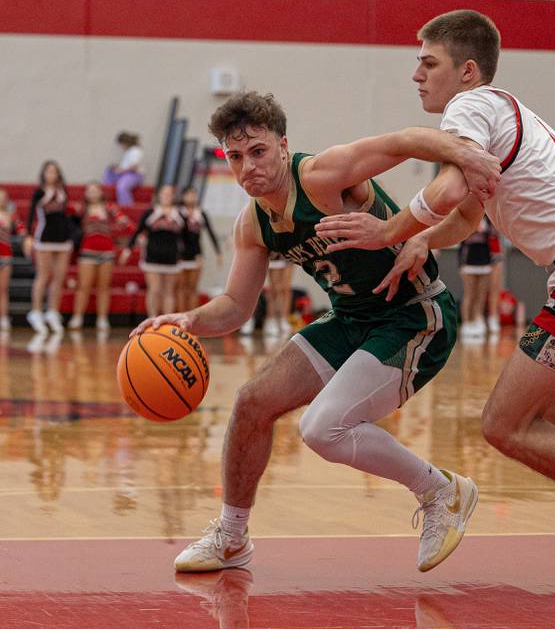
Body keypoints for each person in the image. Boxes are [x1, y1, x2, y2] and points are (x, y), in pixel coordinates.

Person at [316, 9, 555, 591]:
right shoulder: (500, 111)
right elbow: (466, 214)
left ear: (466, 70)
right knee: (541, 399)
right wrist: (421, 239)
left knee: (503, 424)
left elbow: (446, 190)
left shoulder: (469, 108)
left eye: (428, 63)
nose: (415, 75)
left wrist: (386, 230)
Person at [131, 91, 501, 574]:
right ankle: (231, 537)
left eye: (258, 152)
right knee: (251, 404)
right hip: (351, 316)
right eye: (235, 157)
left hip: (414, 314)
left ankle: (441, 491)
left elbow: (403, 141)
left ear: (284, 146)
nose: (248, 167)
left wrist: (465, 153)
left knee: (322, 428)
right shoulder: (254, 224)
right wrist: (190, 321)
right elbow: (237, 307)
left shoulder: (322, 175)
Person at [68, 182, 132, 331]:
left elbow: (127, 224)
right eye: (89, 191)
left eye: (95, 190)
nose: (92, 193)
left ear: (101, 193)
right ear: (85, 194)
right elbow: (66, 211)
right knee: (83, 287)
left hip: (107, 253)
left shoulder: (110, 208)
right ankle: (77, 317)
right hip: (87, 253)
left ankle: (102, 318)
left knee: (104, 288)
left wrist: (124, 235)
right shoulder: (82, 209)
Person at [24, 160, 76, 335]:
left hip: (62, 240)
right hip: (44, 238)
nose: (52, 175)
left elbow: (65, 216)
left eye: (54, 171)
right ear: (44, 174)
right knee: (44, 275)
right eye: (48, 172)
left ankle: (53, 313)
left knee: (59, 278)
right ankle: (36, 312)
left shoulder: (63, 192)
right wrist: (28, 236)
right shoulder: (39, 192)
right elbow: (31, 214)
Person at [119, 185, 185, 317]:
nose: (166, 196)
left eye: (169, 194)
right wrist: (128, 249)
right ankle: (152, 319)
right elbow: (137, 231)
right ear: (158, 196)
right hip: (152, 255)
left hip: (171, 256)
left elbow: (187, 237)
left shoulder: (179, 214)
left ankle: (167, 321)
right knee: (154, 290)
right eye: (164, 193)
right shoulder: (150, 212)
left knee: (168, 291)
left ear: (174, 197)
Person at [177, 186, 222, 313]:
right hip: (180, 255)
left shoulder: (200, 213)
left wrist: (218, 252)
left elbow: (211, 232)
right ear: (183, 197)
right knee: (181, 288)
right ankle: (181, 317)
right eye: (189, 195)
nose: (191, 197)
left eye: (194, 194)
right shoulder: (178, 213)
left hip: (196, 254)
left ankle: (191, 318)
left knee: (192, 288)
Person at [458, 216, 493, 339]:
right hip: (469, 262)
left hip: (484, 262)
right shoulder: (467, 217)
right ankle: (466, 323)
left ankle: (478, 321)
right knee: (469, 294)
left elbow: (490, 240)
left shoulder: (488, 220)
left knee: (481, 295)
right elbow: (461, 244)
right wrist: (460, 265)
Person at [0, 188, 24, 331]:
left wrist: (26, 239)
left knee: (2, 289)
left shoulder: (11, 215)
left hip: (5, 256)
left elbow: (21, 230)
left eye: (3, 197)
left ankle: (3, 318)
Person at [103, 132, 145, 206]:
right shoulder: (128, 152)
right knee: (108, 172)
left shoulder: (136, 151)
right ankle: (106, 199)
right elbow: (126, 165)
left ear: (125, 143)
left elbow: (134, 167)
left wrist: (121, 170)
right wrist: (117, 167)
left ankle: (126, 207)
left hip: (134, 175)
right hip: (125, 174)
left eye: (121, 145)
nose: (121, 147)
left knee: (122, 187)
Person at [264, 254, 294, 337]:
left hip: (287, 250)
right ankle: (271, 319)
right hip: (275, 252)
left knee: (286, 288)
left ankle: (284, 319)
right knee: (274, 289)